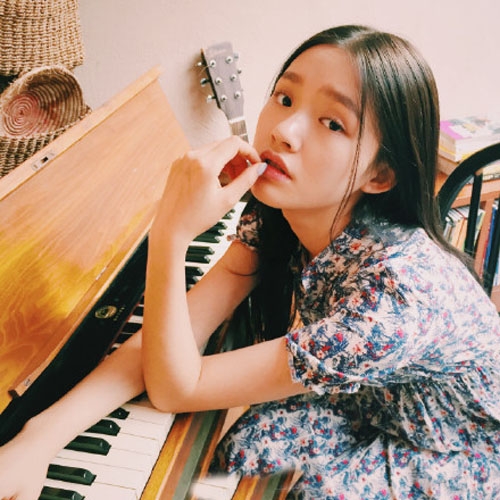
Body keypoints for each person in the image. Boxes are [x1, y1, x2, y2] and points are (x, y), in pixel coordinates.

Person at [1, 24, 499, 500]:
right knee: (244, 446)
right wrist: (40, 436)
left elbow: (176, 387)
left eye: (332, 123)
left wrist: (171, 232)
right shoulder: (286, 210)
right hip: (379, 399)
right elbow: (167, 342)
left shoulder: (393, 303)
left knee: (308, 489)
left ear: (381, 175)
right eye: (285, 97)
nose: (284, 130)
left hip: (459, 449)